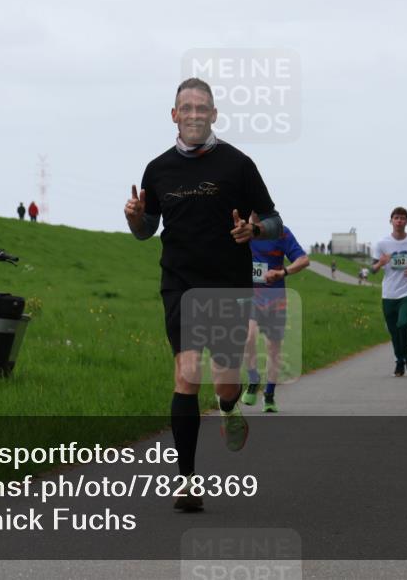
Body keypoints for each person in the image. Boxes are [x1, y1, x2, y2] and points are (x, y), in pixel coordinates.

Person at [125, 77, 282, 512]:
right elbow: (145, 232)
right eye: (186, 107)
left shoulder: (238, 164)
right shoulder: (157, 170)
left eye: (202, 107)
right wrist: (136, 218)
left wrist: (254, 229)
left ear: (214, 114)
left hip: (228, 285)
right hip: (179, 283)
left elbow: (274, 220)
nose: (194, 113)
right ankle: (187, 482)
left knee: (225, 381)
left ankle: (229, 409)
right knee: (187, 373)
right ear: (174, 115)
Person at [242, 218, 309, 413]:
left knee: (273, 348)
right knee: (248, 337)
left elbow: (304, 259)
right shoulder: (242, 230)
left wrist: (283, 272)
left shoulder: (281, 232)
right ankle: (253, 379)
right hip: (250, 296)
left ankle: (269, 394)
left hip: (275, 299)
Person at [370, 207, 407, 377]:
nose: (399, 221)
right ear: (391, 221)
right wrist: (380, 263)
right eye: (396, 218)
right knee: (394, 331)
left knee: (404, 323)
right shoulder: (382, 243)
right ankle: (399, 361)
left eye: (403, 218)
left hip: (406, 291)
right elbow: (372, 270)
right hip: (388, 293)